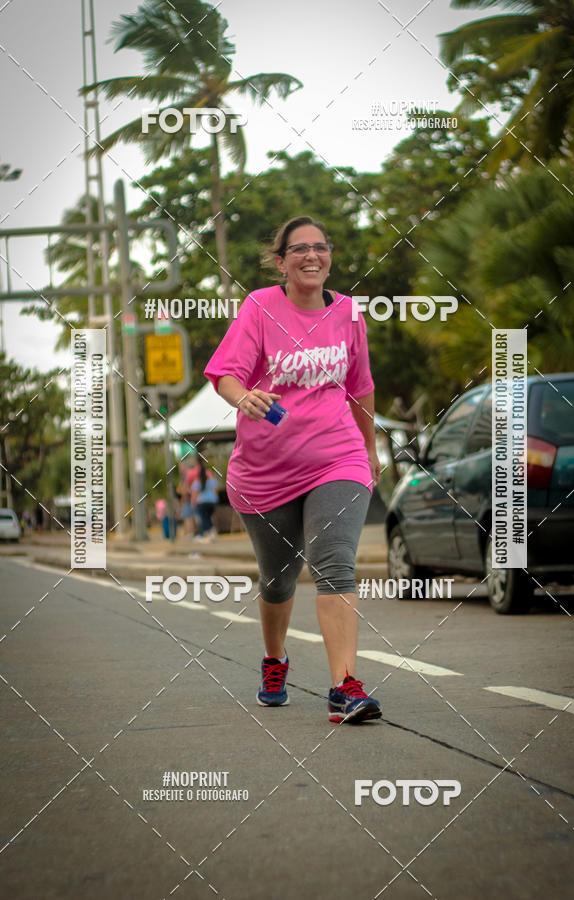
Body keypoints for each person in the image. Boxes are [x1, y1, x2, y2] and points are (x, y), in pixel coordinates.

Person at [204, 215, 382, 724]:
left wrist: (367, 453)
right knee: (278, 579)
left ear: (329, 256)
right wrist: (245, 398)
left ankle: (344, 687)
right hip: (266, 471)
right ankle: (275, 660)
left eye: (320, 247)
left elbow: (360, 386)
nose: (311, 256)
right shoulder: (260, 307)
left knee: (334, 565)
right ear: (281, 262)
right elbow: (226, 374)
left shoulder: (348, 313)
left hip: (336, 457)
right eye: (299, 249)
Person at [192, 463, 218, 542]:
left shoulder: (197, 482)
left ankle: (206, 534)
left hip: (202, 502)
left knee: (203, 518)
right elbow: (215, 490)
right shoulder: (211, 480)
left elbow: (195, 494)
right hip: (212, 502)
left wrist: (193, 503)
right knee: (208, 517)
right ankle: (212, 532)